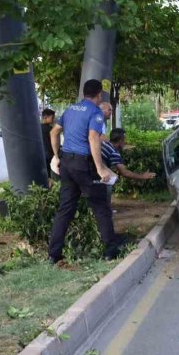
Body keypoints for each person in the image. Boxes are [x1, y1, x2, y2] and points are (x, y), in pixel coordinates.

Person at [48, 80, 126, 263]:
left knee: (65, 209)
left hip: (66, 163)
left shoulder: (70, 110)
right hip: (84, 165)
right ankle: (110, 250)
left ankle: (53, 254)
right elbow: (93, 138)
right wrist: (100, 168)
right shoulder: (95, 112)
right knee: (100, 206)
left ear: (84, 93)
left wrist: (56, 156)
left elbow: (54, 133)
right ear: (99, 94)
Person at [101, 128, 157, 208]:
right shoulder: (114, 153)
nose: (125, 142)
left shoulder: (105, 144)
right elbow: (125, 173)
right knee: (109, 184)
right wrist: (142, 176)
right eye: (124, 140)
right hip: (96, 177)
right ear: (120, 141)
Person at [40, 108, 57, 184]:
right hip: (50, 154)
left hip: (42, 155)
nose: (53, 120)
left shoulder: (37, 128)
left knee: (47, 176)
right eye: (52, 118)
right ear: (45, 117)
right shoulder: (51, 129)